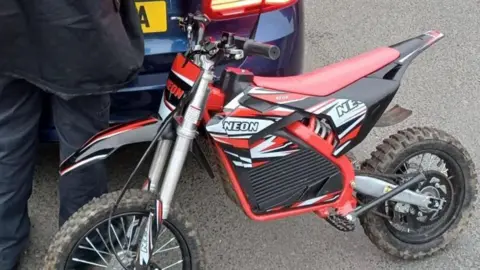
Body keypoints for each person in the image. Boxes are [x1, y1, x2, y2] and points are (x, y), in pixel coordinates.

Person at [0, 0, 145, 269]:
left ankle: (3, 246)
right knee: (84, 151)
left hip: (8, 29)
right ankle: (82, 249)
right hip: (80, 30)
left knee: (7, 144)